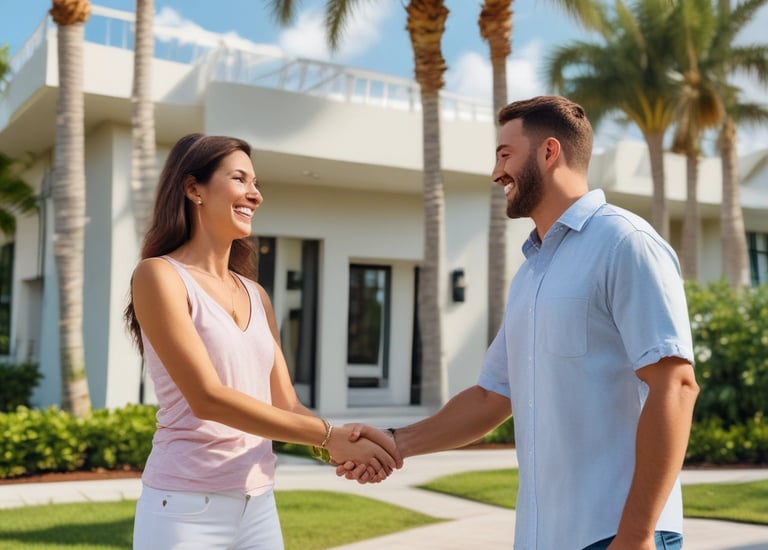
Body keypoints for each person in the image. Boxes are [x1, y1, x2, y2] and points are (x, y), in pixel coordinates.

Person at [341, 96, 700, 550]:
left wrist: (637, 535)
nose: (497, 173)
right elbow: (492, 397)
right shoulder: (531, 273)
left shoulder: (625, 243)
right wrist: (396, 442)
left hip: (617, 534)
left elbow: (676, 386)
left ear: (549, 152)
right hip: (541, 536)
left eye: (505, 154)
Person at [124, 133, 401, 550]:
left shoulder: (256, 294)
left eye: (256, 184)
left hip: (258, 504)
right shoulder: (159, 276)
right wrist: (330, 435)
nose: (255, 195)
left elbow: (285, 404)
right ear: (193, 188)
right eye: (240, 180)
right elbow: (208, 398)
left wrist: (342, 450)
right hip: (183, 507)